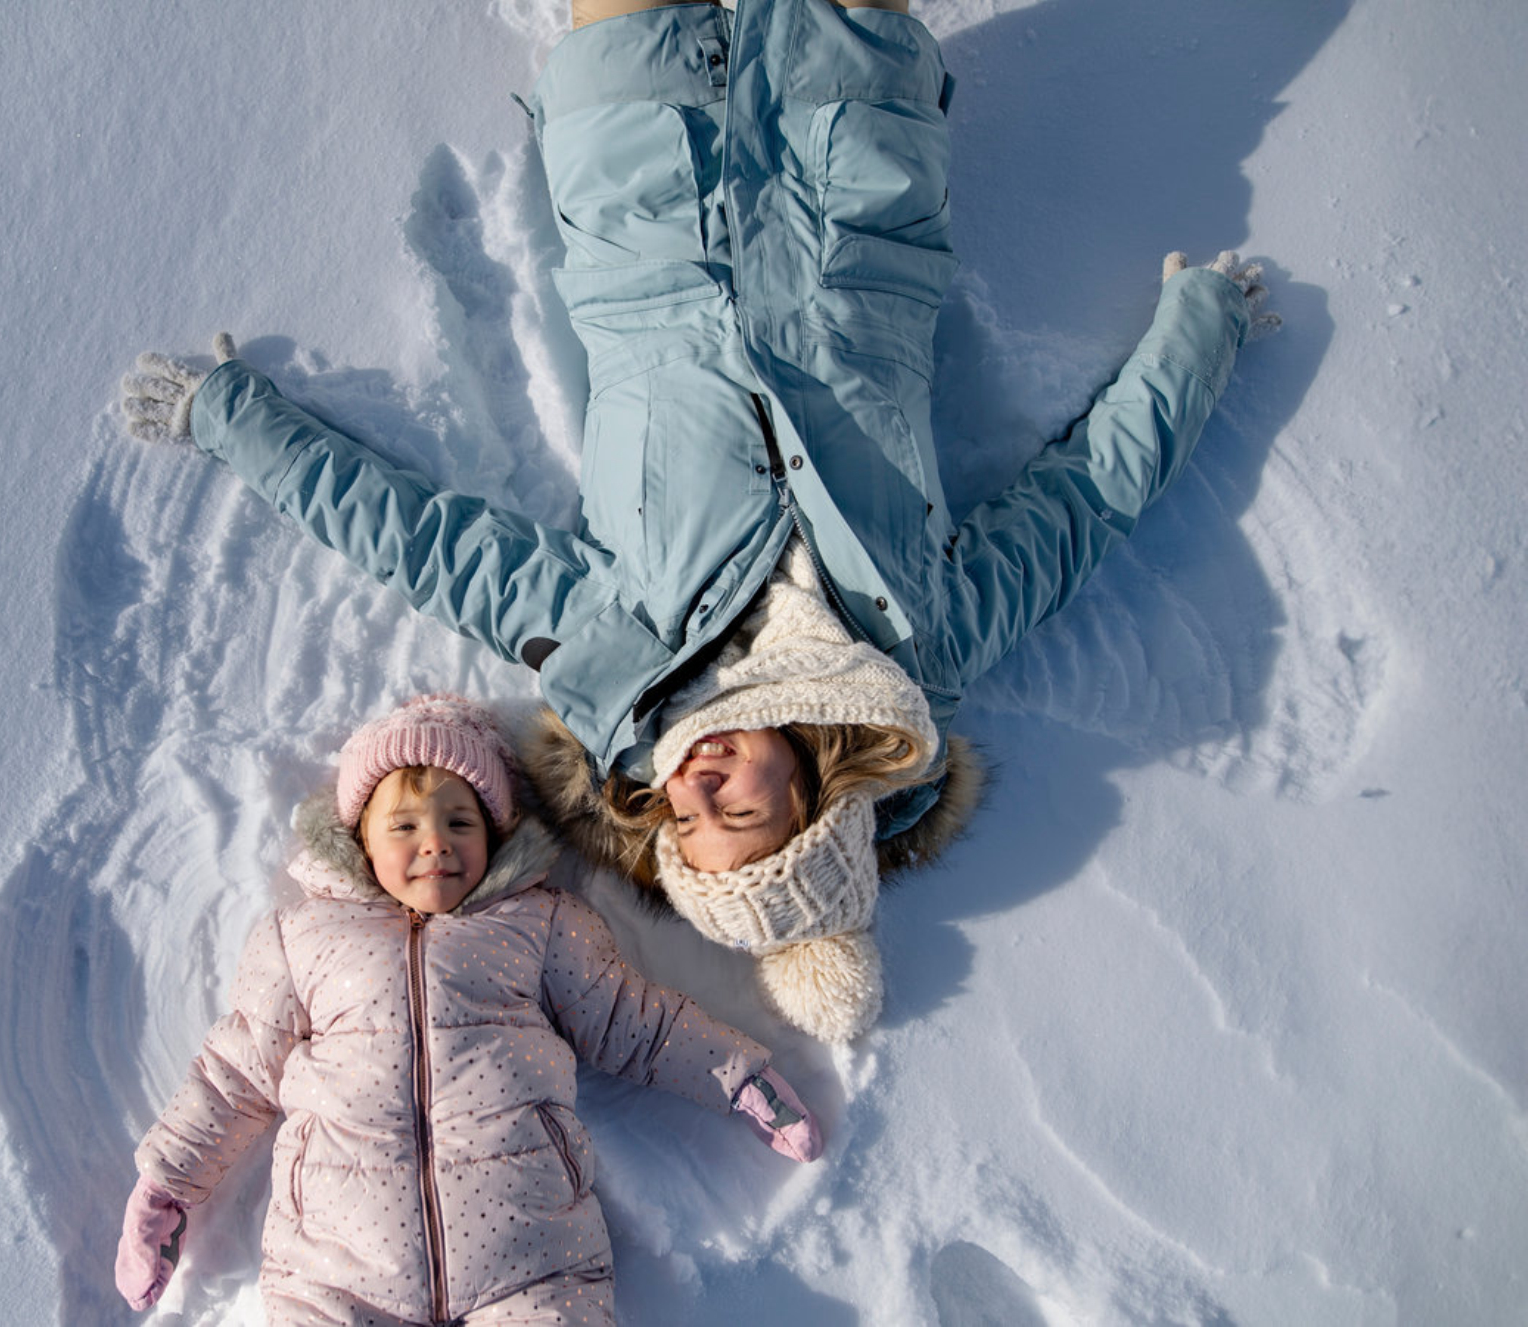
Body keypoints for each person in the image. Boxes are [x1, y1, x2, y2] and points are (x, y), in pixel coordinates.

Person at [118, 0, 1276, 1042]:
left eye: (686, 825)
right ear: (814, 807)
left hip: (641, 209)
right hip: (855, 204)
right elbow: (1088, 499)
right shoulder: (925, 647)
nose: (695, 790)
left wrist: (234, 421)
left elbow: (420, 543)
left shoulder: (613, 658)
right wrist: (1202, 331)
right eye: (739, 816)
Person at [113, 694, 822, 1323]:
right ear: (360, 838)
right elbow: (236, 1071)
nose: (436, 843)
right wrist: (165, 1188)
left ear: (494, 834)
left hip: (530, 1257)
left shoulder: (541, 924)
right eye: (405, 826)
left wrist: (738, 1076)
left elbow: (634, 1020)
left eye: (460, 820)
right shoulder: (303, 935)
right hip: (337, 1269)